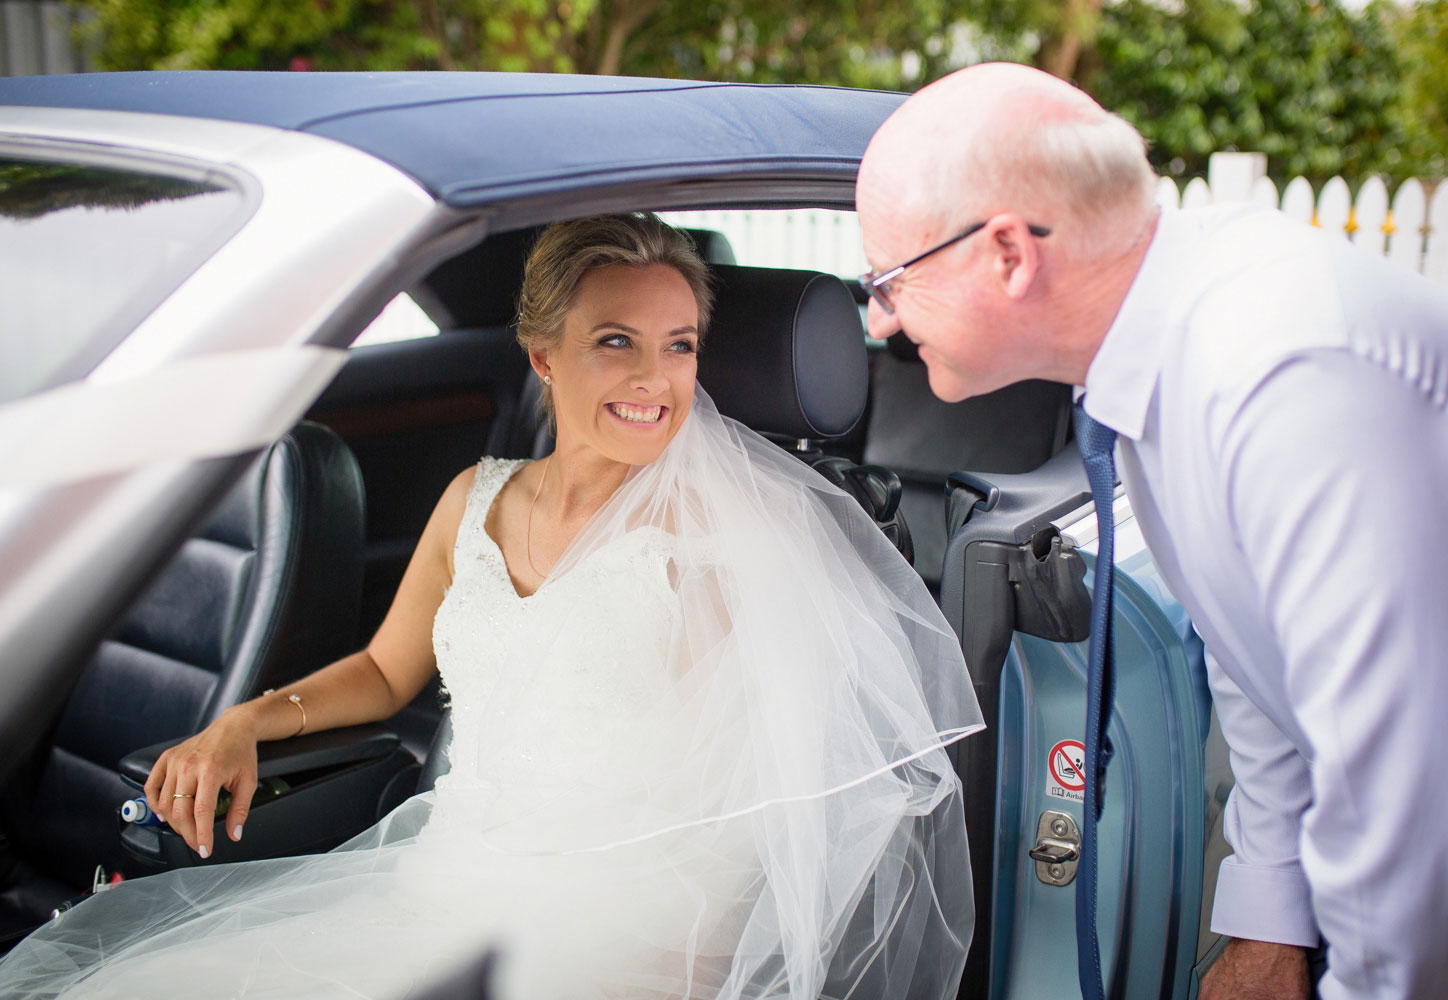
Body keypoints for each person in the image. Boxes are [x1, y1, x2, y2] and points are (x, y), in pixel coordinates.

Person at [0, 214, 984, 999]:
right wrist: (246, 722)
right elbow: (389, 671)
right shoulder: (475, 497)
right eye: (617, 342)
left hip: (626, 922)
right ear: (543, 354)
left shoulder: (727, 541)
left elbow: (759, 809)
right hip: (443, 869)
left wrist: (683, 970)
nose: (657, 379)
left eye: (679, 345)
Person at [855, 62, 1448, 1000]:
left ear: (1007, 254)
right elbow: (1252, 654)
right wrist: (1269, 921)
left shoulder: (1278, 370)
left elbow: (1421, 802)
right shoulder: (1163, 344)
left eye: (888, 280)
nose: (878, 321)